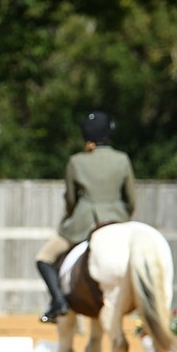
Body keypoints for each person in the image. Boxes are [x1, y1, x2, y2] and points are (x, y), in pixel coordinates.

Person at [35, 111, 136, 322]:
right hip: (117, 220)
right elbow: (131, 199)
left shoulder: (76, 161)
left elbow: (71, 200)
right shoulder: (122, 159)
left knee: (44, 258)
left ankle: (58, 302)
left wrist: (69, 220)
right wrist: (122, 217)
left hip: (83, 222)